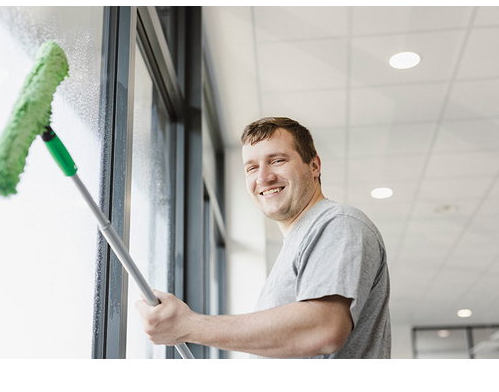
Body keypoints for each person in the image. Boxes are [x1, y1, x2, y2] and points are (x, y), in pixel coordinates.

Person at [136, 117, 391, 359]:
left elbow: (323, 328)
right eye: (252, 167)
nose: (263, 177)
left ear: (314, 165)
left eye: (277, 160)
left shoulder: (338, 223)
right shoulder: (295, 245)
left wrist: (189, 325)